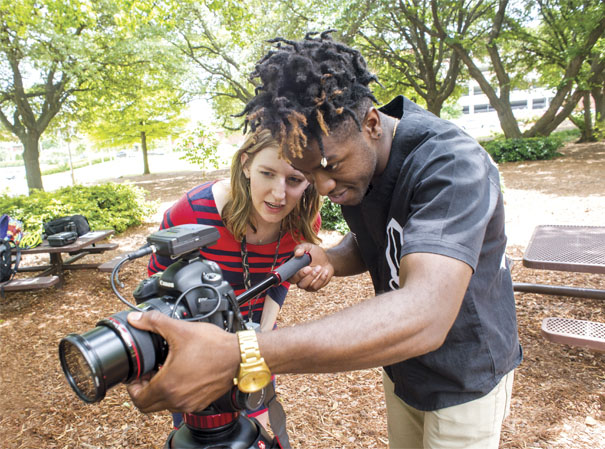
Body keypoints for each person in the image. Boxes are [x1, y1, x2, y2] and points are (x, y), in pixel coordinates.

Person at [126, 31, 522, 449]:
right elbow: (382, 239)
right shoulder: (355, 159)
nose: (323, 186)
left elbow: (424, 314)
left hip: (465, 375)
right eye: (308, 172)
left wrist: (241, 352)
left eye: (329, 167)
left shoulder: (453, 167)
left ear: (371, 123)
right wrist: (333, 258)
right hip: (404, 366)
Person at [147, 128, 321, 431]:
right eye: (267, 173)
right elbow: (157, 283)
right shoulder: (191, 211)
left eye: (294, 180)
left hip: (257, 340)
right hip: (194, 348)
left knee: (255, 429)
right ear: (245, 165)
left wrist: (260, 342)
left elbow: (279, 281)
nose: (279, 195)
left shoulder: (303, 219)